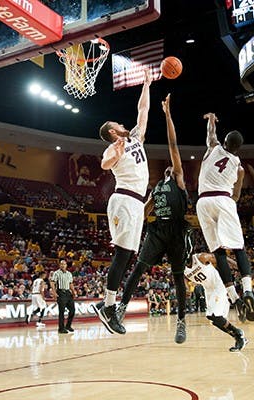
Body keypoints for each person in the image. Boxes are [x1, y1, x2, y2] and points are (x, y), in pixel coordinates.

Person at [115, 93, 192, 344]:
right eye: (168, 166)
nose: (170, 166)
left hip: (177, 232)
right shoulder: (157, 187)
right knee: (138, 267)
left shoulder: (179, 178)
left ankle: (181, 322)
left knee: (178, 277)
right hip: (157, 231)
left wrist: (168, 115)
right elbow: (145, 209)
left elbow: (173, 145)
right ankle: (120, 308)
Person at [91, 70, 152, 334]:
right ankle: (107, 306)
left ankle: (107, 305)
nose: (123, 123)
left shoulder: (135, 138)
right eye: (118, 123)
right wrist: (113, 156)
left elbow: (143, 111)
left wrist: (147, 85)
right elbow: (105, 164)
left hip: (137, 203)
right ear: (113, 131)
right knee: (123, 254)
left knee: (127, 255)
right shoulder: (113, 147)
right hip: (125, 199)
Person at [196, 112, 254, 323]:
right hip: (224, 200)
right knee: (238, 248)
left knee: (218, 252)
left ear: (224, 142)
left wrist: (212, 120)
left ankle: (234, 297)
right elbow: (237, 195)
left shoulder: (213, 147)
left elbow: (211, 135)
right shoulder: (238, 167)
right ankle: (248, 291)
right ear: (237, 149)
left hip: (203, 202)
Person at [185, 252, 246, 352]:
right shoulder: (182, 269)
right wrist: (186, 289)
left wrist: (239, 266)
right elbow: (185, 282)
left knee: (213, 315)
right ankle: (238, 335)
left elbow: (221, 259)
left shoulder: (201, 258)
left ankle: (239, 334)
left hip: (219, 285)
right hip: (208, 290)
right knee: (214, 319)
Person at [50, 258, 77, 334]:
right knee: (61, 312)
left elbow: (71, 283)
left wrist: (73, 292)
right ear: (59, 265)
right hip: (61, 292)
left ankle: (68, 325)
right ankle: (61, 328)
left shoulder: (69, 273)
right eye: (61, 264)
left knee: (72, 310)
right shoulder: (56, 273)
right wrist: (54, 293)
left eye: (64, 264)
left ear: (66, 265)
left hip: (68, 293)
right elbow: (52, 283)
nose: (62, 265)